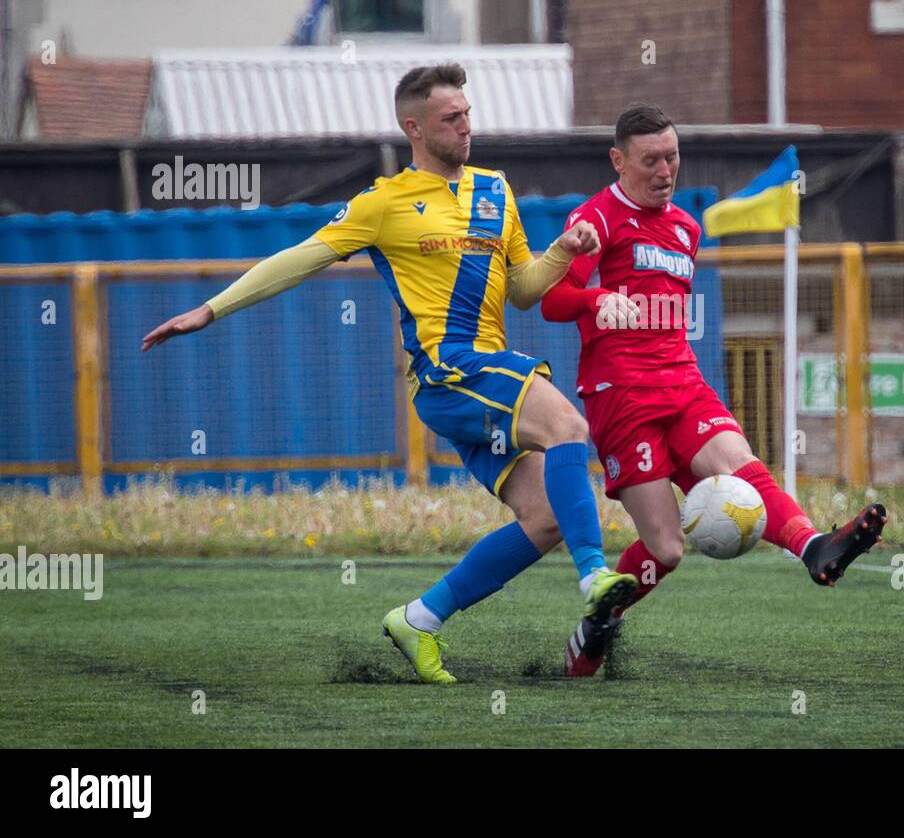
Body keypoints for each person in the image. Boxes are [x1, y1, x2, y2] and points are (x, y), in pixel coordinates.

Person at [141, 62, 636, 683]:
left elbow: (524, 291)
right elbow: (299, 259)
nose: (466, 127)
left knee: (544, 518)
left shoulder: (495, 190)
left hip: (481, 377)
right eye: (450, 119)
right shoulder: (383, 202)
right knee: (567, 423)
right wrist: (211, 309)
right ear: (416, 128)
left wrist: (563, 253)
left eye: (467, 114)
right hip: (448, 368)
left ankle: (420, 619)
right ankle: (595, 576)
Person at [540, 103, 887, 677]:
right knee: (667, 550)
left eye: (672, 157)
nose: (664, 170)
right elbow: (552, 302)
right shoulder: (596, 220)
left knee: (738, 463)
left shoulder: (685, 227)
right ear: (618, 161)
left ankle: (812, 547)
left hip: (682, 381)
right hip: (620, 396)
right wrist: (598, 299)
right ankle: (599, 625)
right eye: (650, 160)